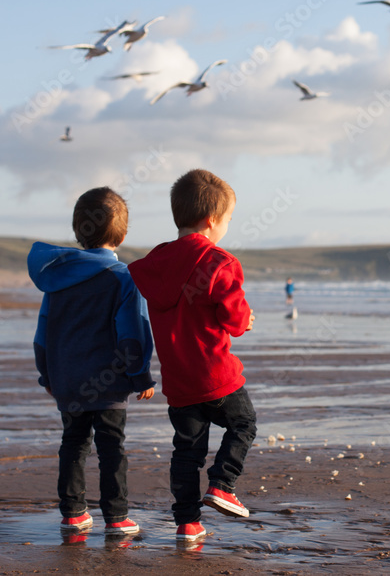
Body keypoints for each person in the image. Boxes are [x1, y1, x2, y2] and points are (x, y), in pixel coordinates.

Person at [129, 169, 256, 545]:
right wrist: (246, 319)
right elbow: (233, 320)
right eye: (229, 220)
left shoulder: (156, 262)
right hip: (216, 375)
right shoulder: (219, 261)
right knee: (243, 425)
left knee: (186, 450)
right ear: (211, 220)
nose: (227, 227)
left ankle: (187, 523)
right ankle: (223, 483)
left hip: (179, 381)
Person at [27, 187, 156, 537]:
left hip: (68, 378)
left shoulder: (57, 280)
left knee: (73, 443)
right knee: (112, 446)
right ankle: (116, 517)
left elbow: (43, 334)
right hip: (109, 381)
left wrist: (47, 375)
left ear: (77, 231)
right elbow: (132, 331)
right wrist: (140, 375)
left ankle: (73, 513)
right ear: (124, 234)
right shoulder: (123, 278)